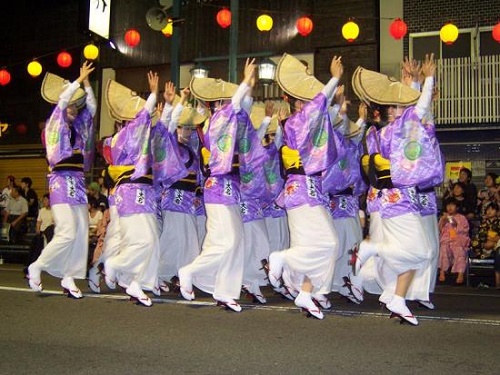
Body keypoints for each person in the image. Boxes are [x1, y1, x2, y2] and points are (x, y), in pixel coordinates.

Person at [352, 53, 438, 325]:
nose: (405, 107)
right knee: (421, 252)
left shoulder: (387, 131)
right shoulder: (396, 129)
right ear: (393, 110)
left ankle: (398, 299)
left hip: (393, 200)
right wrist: (427, 79)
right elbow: (420, 108)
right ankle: (373, 249)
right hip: (397, 201)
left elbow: (416, 109)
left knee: (415, 253)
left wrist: (414, 83)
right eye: (399, 105)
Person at [267, 54, 343, 320]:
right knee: (329, 242)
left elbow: (324, 116)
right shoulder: (296, 122)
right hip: (302, 191)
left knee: (316, 245)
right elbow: (318, 108)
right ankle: (283, 260)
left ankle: (306, 292)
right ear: (297, 101)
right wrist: (333, 79)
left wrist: (338, 103)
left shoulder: (306, 120)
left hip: (308, 191)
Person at [178, 59, 256, 312]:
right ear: (216, 104)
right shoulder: (216, 120)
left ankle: (223, 291)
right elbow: (236, 105)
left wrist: (250, 86)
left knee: (227, 240)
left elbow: (242, 107)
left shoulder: (227, 120)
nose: (228, 104)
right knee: (231, 239)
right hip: (219, 188)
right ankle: (190, 271)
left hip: (228, 188)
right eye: (223, 101)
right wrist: (244, 81)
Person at [27, 61, 96, 298]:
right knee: (67, 230)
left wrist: (86, 83)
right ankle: (37, 266)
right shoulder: (55, 120)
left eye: (76, 106)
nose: (74, 110)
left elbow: (93, 108)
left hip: (77, 182)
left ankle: (69, 276)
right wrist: (77, 81)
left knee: (81, 231)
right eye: (70, 106)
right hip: (60, 181)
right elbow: (64, 100)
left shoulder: (78, 126)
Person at [102, 71, 160, 307]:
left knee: (151, 239)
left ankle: (138, 282)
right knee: (144, 240)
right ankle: (115, 265)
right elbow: (144, 117)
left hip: (141, 191)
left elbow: (147, 121)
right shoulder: (125, 135)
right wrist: (153, 94)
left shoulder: (126, 136)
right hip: (132, 190)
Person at [438, 198, 470, 285]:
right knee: (443, 249)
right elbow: (440, 231)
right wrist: (443, 222)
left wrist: (455, 223)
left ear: (457, 207)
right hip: (446, 240)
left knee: (459, 250)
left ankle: (460, 274)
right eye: (448, 205)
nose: (450, 207)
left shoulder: (462, 218)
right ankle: (442, 271)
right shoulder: (443, 218)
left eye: (452, 205)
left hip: (458, 240)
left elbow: (464, 230)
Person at [24, 194, 55, 276]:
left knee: (49, 230)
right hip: (42, 232)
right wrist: (37, 228)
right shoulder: (42, 210)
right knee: (34, 243)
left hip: (51, 231)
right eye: (43, 200)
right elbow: (38, 222)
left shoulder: (55, 211)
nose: (44, 202)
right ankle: (30, 264)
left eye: (45, 200)